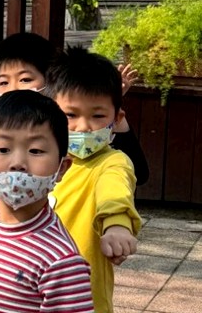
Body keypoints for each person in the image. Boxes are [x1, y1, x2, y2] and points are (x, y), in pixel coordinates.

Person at [0, 32, 149, 217]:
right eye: (4, 82)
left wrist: (110, 105)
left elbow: (137, 173)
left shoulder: (91, 145)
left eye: (25, 79)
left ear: (51, 83)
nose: (14, 89)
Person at [0, 90, 94, 313]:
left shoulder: (62, 261)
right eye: (3, 149)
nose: (18, 162)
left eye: (36, 150)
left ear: (62, 168)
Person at [44, 46, 142, 313]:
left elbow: (115, 190)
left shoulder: (111, 162)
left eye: (98, 116)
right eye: (70, 115)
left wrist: (117, 225)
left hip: (83, 298)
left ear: (116, 118)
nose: (83, 126)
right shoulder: (39, 158)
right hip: (32, 287)